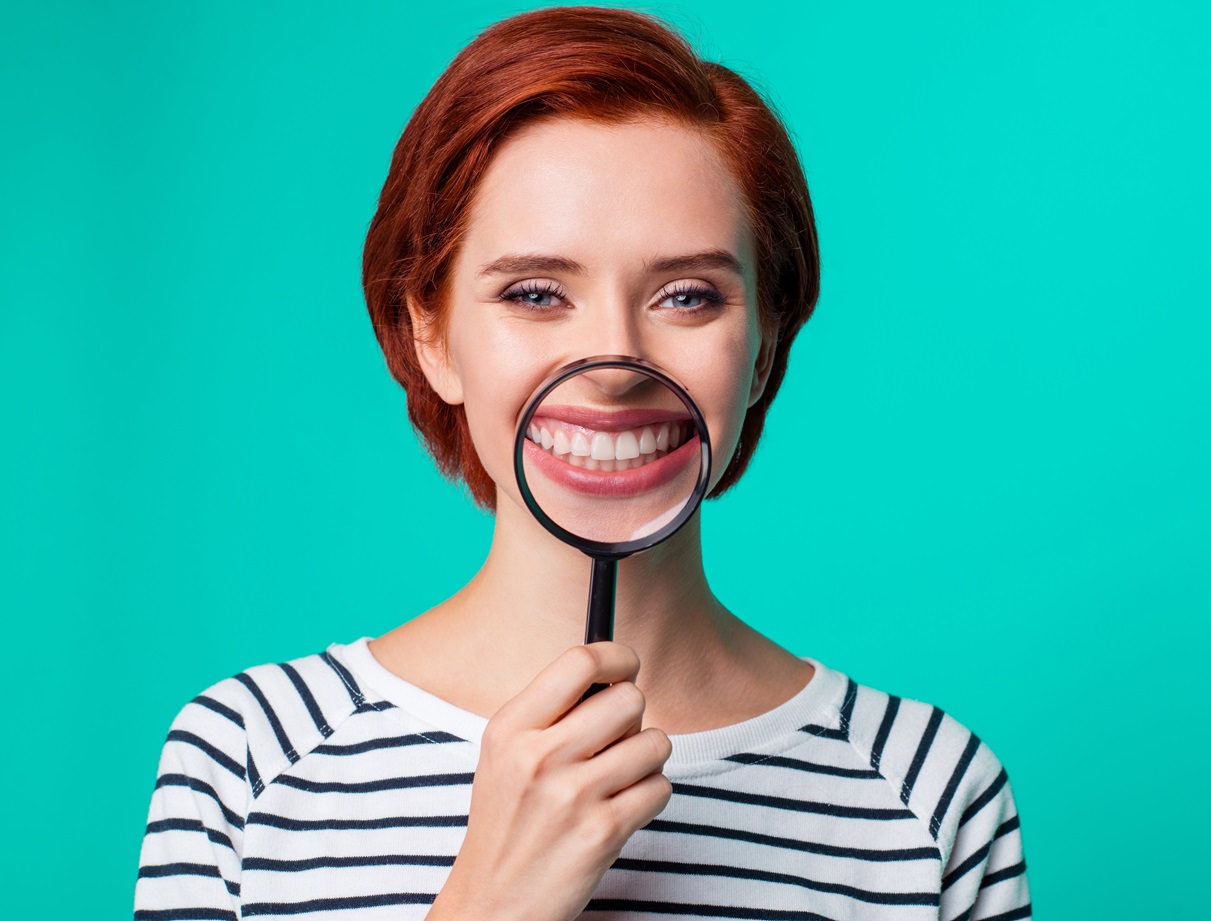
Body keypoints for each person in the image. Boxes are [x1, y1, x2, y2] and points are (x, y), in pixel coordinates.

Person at [134, 6, 1032, 920]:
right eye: (534, 292)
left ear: (763, 348)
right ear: (430, 334)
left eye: (687, 295)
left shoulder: (927, 798)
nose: (615, 365)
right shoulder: (250, 759)